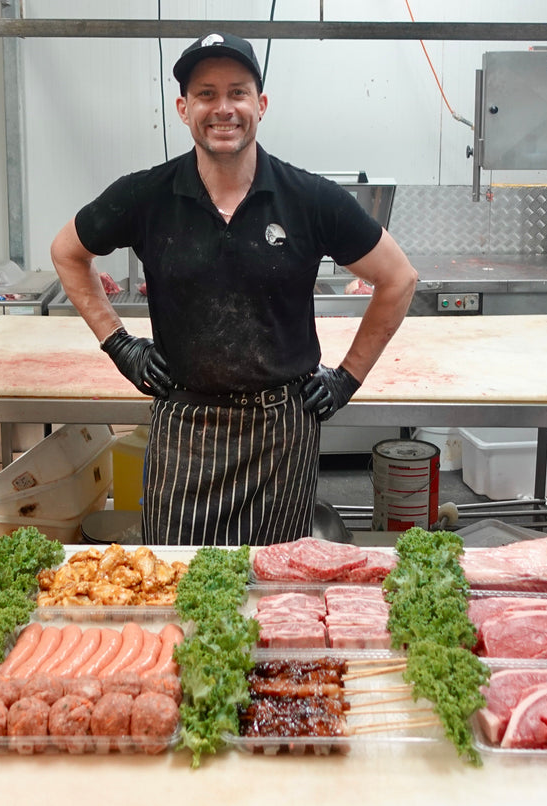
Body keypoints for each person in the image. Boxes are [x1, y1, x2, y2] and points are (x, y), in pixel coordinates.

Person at [50, 32, 418, 546]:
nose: (223, 109)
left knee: (273, 590)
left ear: (260, 105)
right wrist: (120, 345)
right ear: (183, 108)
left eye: (237, 92)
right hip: (185, 425)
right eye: (206, 94)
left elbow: (398, 278)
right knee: (176, 580)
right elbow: (68, 252)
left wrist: (347, 379)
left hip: (282, 430)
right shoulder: (146, 195)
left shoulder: (310, 199)